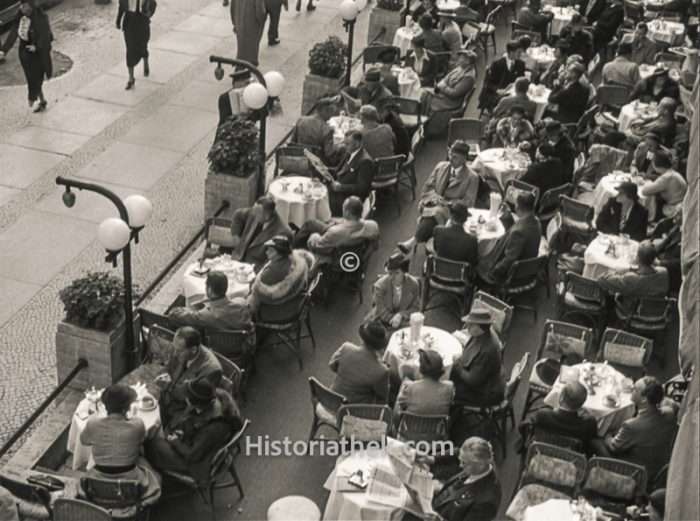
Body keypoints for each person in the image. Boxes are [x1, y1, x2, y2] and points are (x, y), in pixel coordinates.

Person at [147, 379, 243, 482]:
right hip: (206, 444)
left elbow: (191, 454)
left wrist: (175, 441)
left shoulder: (212, 428)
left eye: (187, 397)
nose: (185, 399)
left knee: (152, 445)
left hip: (199, 463)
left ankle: (158, 478)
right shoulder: (220, 398)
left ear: (195, 403)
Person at [80, 383, 161, 505]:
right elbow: (142, 439)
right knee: (158, 479)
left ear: (106, 406)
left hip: (98, 481)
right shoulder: (137, 424)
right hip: (130, 482)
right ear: (126, 409)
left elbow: (84, 440)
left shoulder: (93, 423)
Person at [397, 141, 480, 254]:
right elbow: (426, 188)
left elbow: (469, 203)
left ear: (464, 159)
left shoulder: (472, 177)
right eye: (450, 154)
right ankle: (420, 242)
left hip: (453, 213)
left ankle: (413, 242)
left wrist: (447, 203)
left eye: (455, 157)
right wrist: (434, 198)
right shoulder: (441, 166)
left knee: (435, 212)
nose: (450, 158)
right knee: (434, 212)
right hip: (431, 204)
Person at [594, 376, 678, 478]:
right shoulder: (669, 412)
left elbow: (614, 447)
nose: (632, 389)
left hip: (635, 471)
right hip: (657, 467)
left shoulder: (632, 425)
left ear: (644, 399)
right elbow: (673, 406)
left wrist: (607, 435)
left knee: (595, 440)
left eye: (635, 389)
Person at [423, 437, 501, 521]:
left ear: (480, 464)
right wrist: (432, 459)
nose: (460, 465)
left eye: (464, 463)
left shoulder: (486, 503)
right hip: (438, 501)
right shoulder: (482, 458)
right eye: (461, 460)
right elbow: (457, 452)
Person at [156, 326, 223, 419]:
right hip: (168, 397)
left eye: (179, 351)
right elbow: (169, 367)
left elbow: (200, 405)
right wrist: (166, 375)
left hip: (187, 412)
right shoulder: (179, 347)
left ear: (193, 350)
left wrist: (170, 385)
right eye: (174, 348)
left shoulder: (211, 370)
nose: (175, 353)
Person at [477, 193, 542, 284]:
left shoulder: (519, 232)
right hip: (528, 264)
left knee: (478, 261)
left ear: (517, 208)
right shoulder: (536, 221)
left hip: (514, 274)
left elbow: (509, 260)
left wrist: (494, 271)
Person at [0, 0, 53, 111]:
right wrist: (4, 50)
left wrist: (36, 47)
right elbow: (14, 32)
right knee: (31, 77)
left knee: (37, 78)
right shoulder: (21, 15)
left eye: (24, 5)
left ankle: (35, 97)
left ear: (31, 7)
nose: (21, 8)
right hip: (25, 53)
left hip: (38, 53)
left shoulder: (41, 18)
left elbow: (46, 37)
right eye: (21, 5)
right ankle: (41, 100)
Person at [294, 196, 380, 262]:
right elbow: (374, 246)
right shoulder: (372, 226)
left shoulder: (334, 232)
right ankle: (298, 238)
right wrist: (364, 258)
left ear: (348, 213)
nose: (342, 210)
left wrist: (314, 236)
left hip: (335, 242)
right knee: (310, 223)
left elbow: (316, 245)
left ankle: (295, 249)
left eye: (343, 208)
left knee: (308, 228)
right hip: (340, 233)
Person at [248, 235, 314, 318]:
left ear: (279, 254)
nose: (266, 252)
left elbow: (255, 293)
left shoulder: (272, 271)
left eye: (271, 251)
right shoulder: (295, 259)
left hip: (282, 311)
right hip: (296, 302)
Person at [519, 381, 598, 450]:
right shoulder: (589, 423)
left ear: (561, 398)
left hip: (541, 452)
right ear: (581, 405)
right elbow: (591, 440)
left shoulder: (543, 415)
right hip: (570, 459)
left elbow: (524, 426)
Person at [451, 309, 506, 407]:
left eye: (471, 325)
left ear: (480, 328)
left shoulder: (488, 350)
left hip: (484, 393)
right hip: (486, 379)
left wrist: (457, 364)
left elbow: (472, 380)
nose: (467, 326)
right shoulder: (484, 332)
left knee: (445, 384)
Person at [329, 322, 390, 404]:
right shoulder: (382, 370)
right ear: (380, 347)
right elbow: (383, 395)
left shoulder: (346, 348)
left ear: (362, 338)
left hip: (331, 399)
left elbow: (332, 365)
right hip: (355, 410)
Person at [169, 271, 252, 331]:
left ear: (210, 290)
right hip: (241, 347)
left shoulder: (206, 315)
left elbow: (174, 315)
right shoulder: (242, 304)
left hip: (217, 349)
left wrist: (190, 310)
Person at [228, 196, 293, 271]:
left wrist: (256, 273)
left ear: (267, 216)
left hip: (255, 268)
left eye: (256, 214)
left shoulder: (283, 232)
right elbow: (238, 214)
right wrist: (236, 236)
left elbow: (273, 261)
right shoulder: (256, 211)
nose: (252, 214)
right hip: (238, 257)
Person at [597, 240, 670, 304]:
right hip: (656, 312)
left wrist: (613, 272)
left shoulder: (631, 279)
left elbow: (601, 279)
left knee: (609, 294)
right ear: (654, 259)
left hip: (632, 311)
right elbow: (648, 272)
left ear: (637, 258)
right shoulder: (664, 272)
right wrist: (631, 268)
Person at [364, 252, 420, 330]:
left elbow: (416, 307)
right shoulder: (379, 286)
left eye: (396, 273)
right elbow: (381, 310)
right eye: (390, 273)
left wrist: (401, 315)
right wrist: (393, 320)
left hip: (404, 319)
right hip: (381, 319)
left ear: (404, 272)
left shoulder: (414, 284)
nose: (392, 278)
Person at [327, 130, 376, 216]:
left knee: (322, 201)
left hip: (350, 200)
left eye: (347, 144)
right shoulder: (349, 153)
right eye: (344, 143)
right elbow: (339, 171)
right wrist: (324, 169)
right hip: (341, 191)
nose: (344, 146)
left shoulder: (366, 162)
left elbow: (362, 189)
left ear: (357, 144)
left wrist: (341, 188)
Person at [395, 349, 454, 416]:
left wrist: (404, 385)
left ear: (421, 368)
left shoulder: (410, 388)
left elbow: (400, 404)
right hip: (437, 426)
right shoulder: (449, 388)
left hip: (410, 425)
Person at [422, 50, 478, 116]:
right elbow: (446, 77)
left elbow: (454, 93)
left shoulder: (469, 77)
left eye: (462, 58)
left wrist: (442, 86)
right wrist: (441, 84)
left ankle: (427, 120)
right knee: (423, 93)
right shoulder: (461, 67)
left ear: (468, 61)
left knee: (428, 100)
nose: (459, 58)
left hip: (451, 101)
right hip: (444, 93)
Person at [116, 0, 156, 90]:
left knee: (143, 45)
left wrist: (150, 13)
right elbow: (122, 6)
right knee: (130, 49)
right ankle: (131, 78)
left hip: (142, 21)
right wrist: (118, 20)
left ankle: (145, 62)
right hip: (129, 23)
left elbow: (153, 3)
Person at [478, 40, 526, 112]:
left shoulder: (521, 64)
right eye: (518, 52)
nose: (521, 54)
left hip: (513, 93)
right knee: (512, 107)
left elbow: (521, 79)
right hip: (496, 94)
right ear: (511, 53)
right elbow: (488, 84)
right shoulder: (497, 64)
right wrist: (498, 90)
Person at [292, 97, 340, 165]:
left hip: (300, 160)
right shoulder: (327, 129)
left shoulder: (301, 120)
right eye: (331, 111)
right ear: (324, 111)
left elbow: (293, 142)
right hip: (317, 164)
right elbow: (330, 153)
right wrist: (340, 147)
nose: (332, 115)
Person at [641, 150, 687, 217]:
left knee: (645, 206)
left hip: (676, 210)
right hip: (683, 206)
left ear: (655, 164)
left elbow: (644, 191)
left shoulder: (666, 177)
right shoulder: (674, 173)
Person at [432, 201, 479, 265]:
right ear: (465, 220)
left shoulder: (438, 230)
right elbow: (473, 262)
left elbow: (435, 249)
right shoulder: (471, 240)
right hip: (460, 273)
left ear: (450, 216)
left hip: (439, 269)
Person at [230, 0, 266, 67]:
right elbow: (260, 11)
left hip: (239, 22)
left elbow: (232, 7)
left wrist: (235, 22)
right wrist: (262, 21)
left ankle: (241, 65)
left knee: (242, 49)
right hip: (252, 24)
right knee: (251, 52)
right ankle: (243, 69)